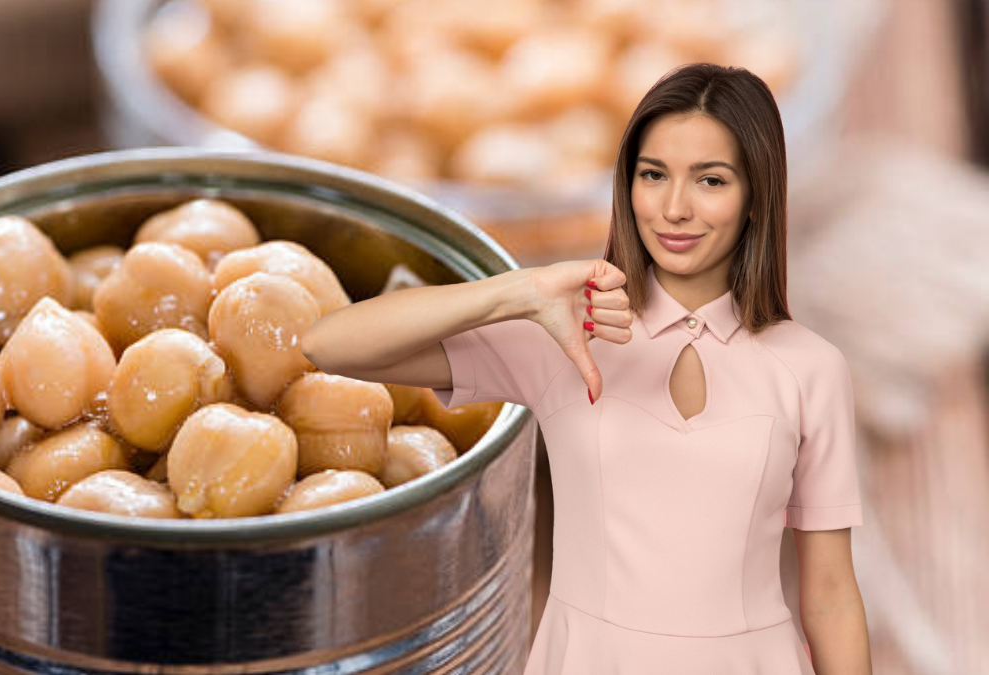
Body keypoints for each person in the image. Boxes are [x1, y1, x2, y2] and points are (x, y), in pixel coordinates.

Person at [301, 63, 872, 674]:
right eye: (654, 175)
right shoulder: (565, 337)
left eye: (710, 180)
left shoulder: (810, 368)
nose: (674, 208)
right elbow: (330, 344)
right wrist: (518, 289)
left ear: (757, 194)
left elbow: (832, 593)